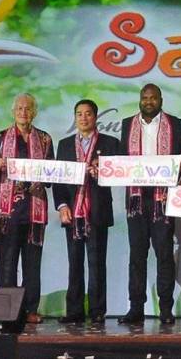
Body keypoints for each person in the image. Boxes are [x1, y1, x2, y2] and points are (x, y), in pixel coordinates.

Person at [117, 84, 181, 325]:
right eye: (144, 98)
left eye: (153, 98)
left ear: (160, 100)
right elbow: (121, 161)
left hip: (163, 200)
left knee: (164, 256)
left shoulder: (176, 124)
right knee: (136, 256)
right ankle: (136, 308)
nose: (148, 102)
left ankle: (166, 309)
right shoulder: (127, 124)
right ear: (140, 100)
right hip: (136, 200)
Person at [0, 93, 54, 324]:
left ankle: (30, 310)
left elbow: (51, 177)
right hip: (9, 213)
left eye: (28, 109)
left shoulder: (45, 139)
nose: (24, 112)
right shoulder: (0, 138)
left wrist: (43, 176)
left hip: (35, 210)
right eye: (20, 109)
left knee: (32, 265)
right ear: (14, 111)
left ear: (34, 112)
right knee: (8, 263)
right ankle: (7, 311)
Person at [54, 100, 119, 324]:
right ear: (75, 118)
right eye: (79, 114)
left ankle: (98, 311)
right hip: (72, 213)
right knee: (74, 263)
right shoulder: (63, 145)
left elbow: (120, 175)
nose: (83, 118)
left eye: (88, 114)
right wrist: (62, 206)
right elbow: (58, 181)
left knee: (97, 263)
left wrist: (101, 172)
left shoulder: (110, 143)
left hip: (98, 211)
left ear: (95, 117)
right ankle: (74, 312)